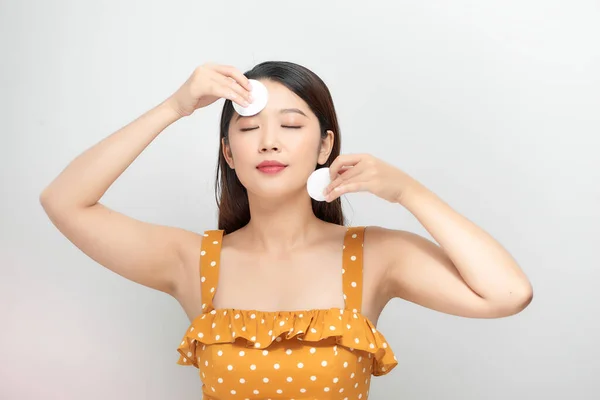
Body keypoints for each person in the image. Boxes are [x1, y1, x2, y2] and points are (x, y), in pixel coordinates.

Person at [40, 61, 533, 399]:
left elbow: (508, 294)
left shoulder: (376, 255)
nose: (270, 142)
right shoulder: (191, 261)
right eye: (250, 129)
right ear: (229, 155)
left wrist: (407, 191)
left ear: (325, 147)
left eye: (292, 126)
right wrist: (175, 106)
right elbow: (63, 201)